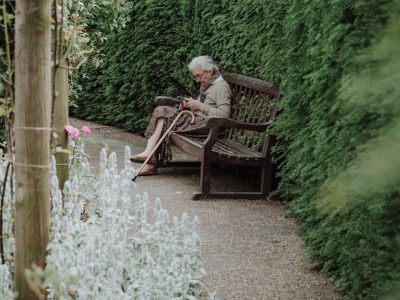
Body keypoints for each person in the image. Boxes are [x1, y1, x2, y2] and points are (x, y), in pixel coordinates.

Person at [130, 55, 232, 176]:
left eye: (198, 76)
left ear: (209, 71)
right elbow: (203, 104)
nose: (197, 80)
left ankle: (149, 161)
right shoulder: (208, 84)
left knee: (164, 115)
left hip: (207, 127)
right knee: (161, 112)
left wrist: (200, 106)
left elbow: (224, 115)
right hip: (196, 121)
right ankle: (149, 157)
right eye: (195, 77)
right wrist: (190, 104)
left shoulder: (221, 87)